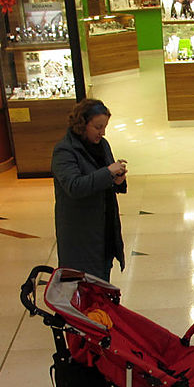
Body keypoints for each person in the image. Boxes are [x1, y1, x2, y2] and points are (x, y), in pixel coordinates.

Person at [52, 99, 127, 282]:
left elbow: (106, 179)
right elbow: (74, 186)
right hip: (80, 234)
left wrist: (118, 180)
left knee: (101, 282)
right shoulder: (65, 151)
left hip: (104, 228)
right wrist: (108, 172)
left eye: (105, 127)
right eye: (98, 127)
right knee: (82, 286)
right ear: (82, 124)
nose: (102, 132)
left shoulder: (102, 145)